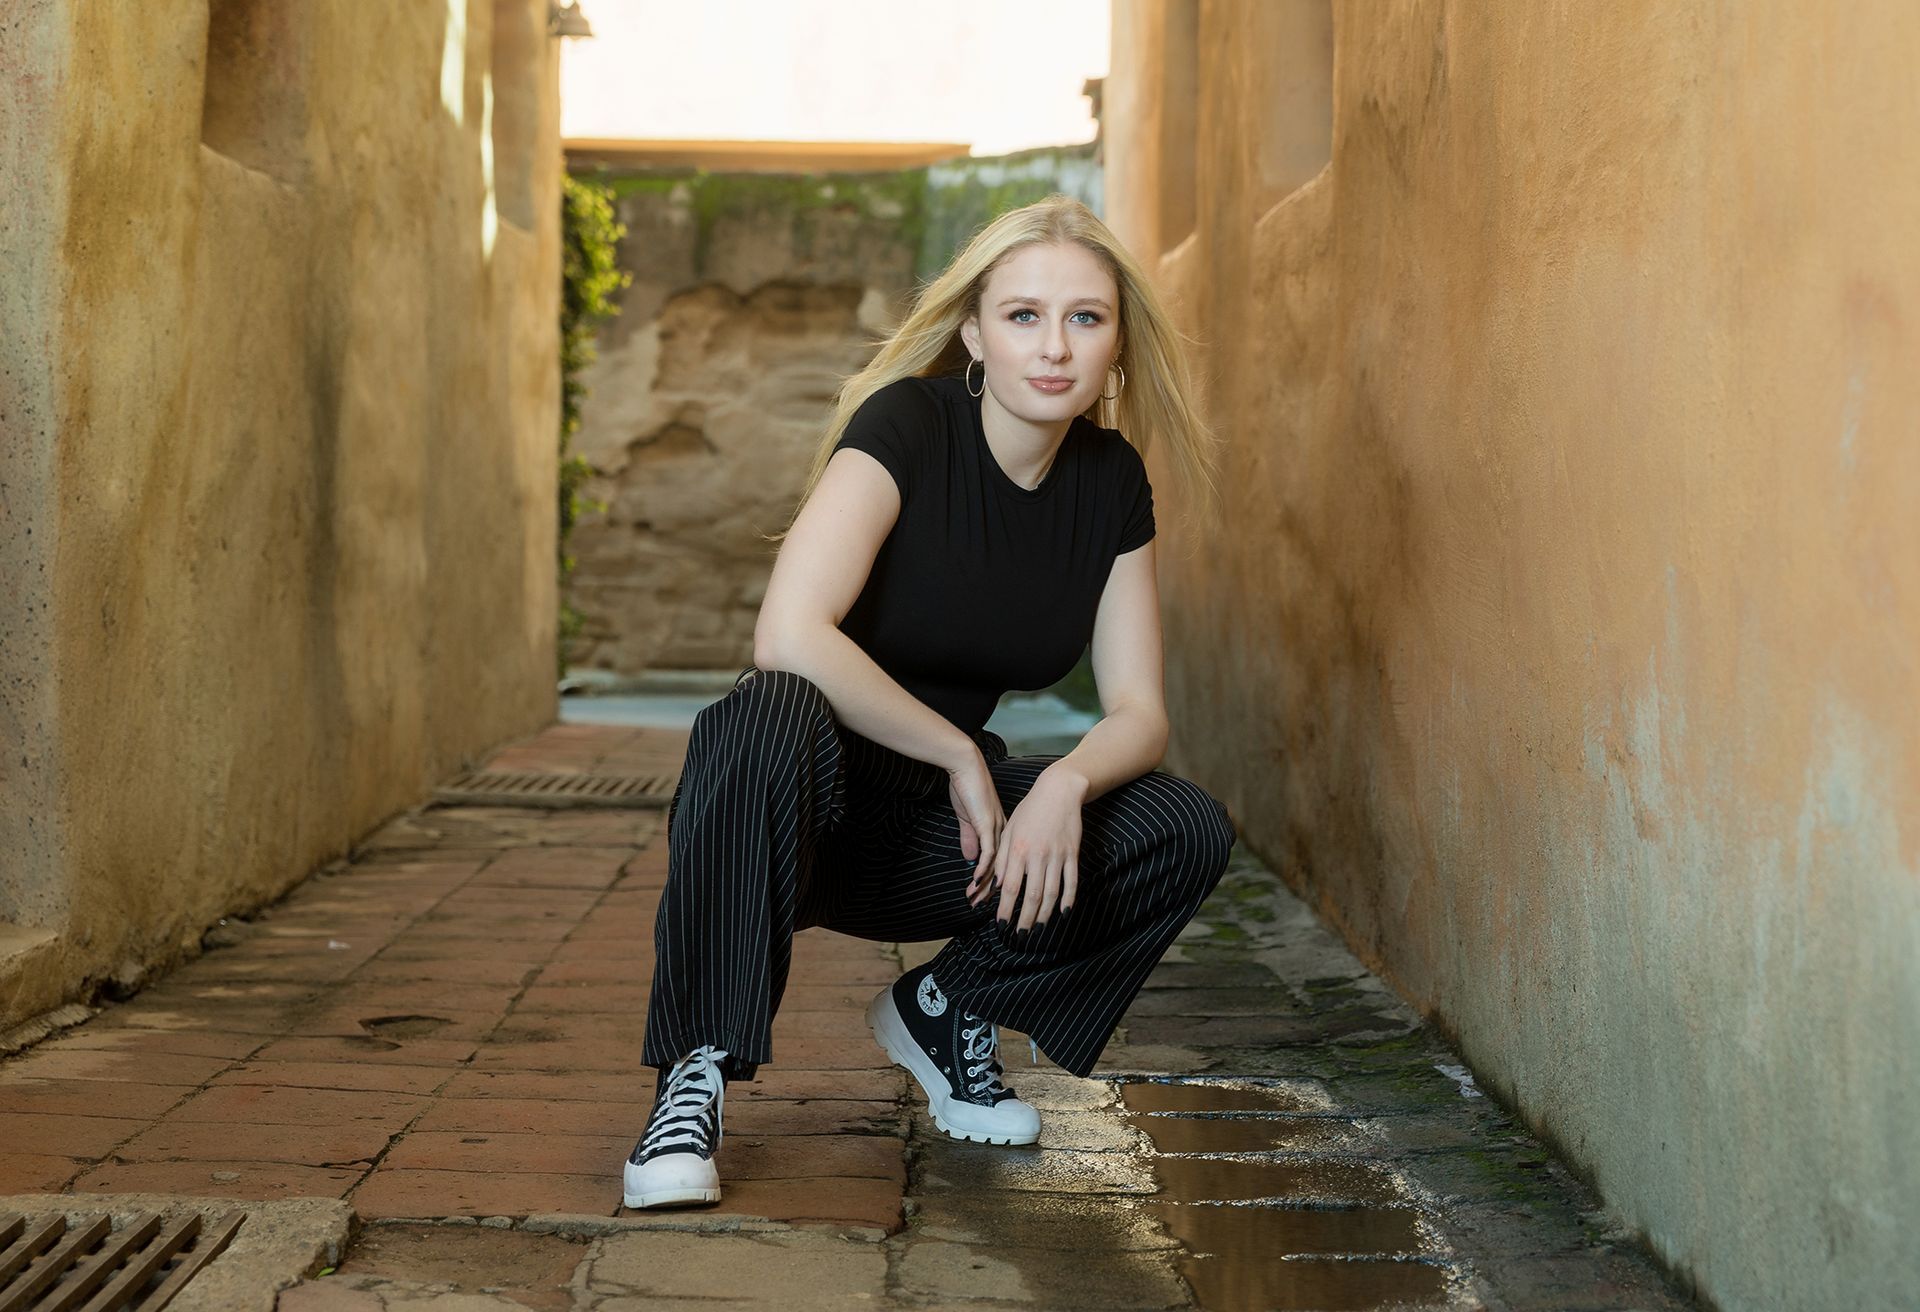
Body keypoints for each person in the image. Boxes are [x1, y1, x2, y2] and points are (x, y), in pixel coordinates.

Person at [622, 194, 1237, 1210]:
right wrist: (960, 751)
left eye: (1086, 317)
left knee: (1183, 824)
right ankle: (692, 1075)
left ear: (1119, 343)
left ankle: (946, 1005)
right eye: (1023, 315)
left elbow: (1140, 709)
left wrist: (1063, 786)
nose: (1054, 346)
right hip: (797, 802)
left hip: (945, 839)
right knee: (768, 708)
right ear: (974, 333)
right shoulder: (907, 424)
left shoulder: (1110, 481)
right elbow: (790, 632)